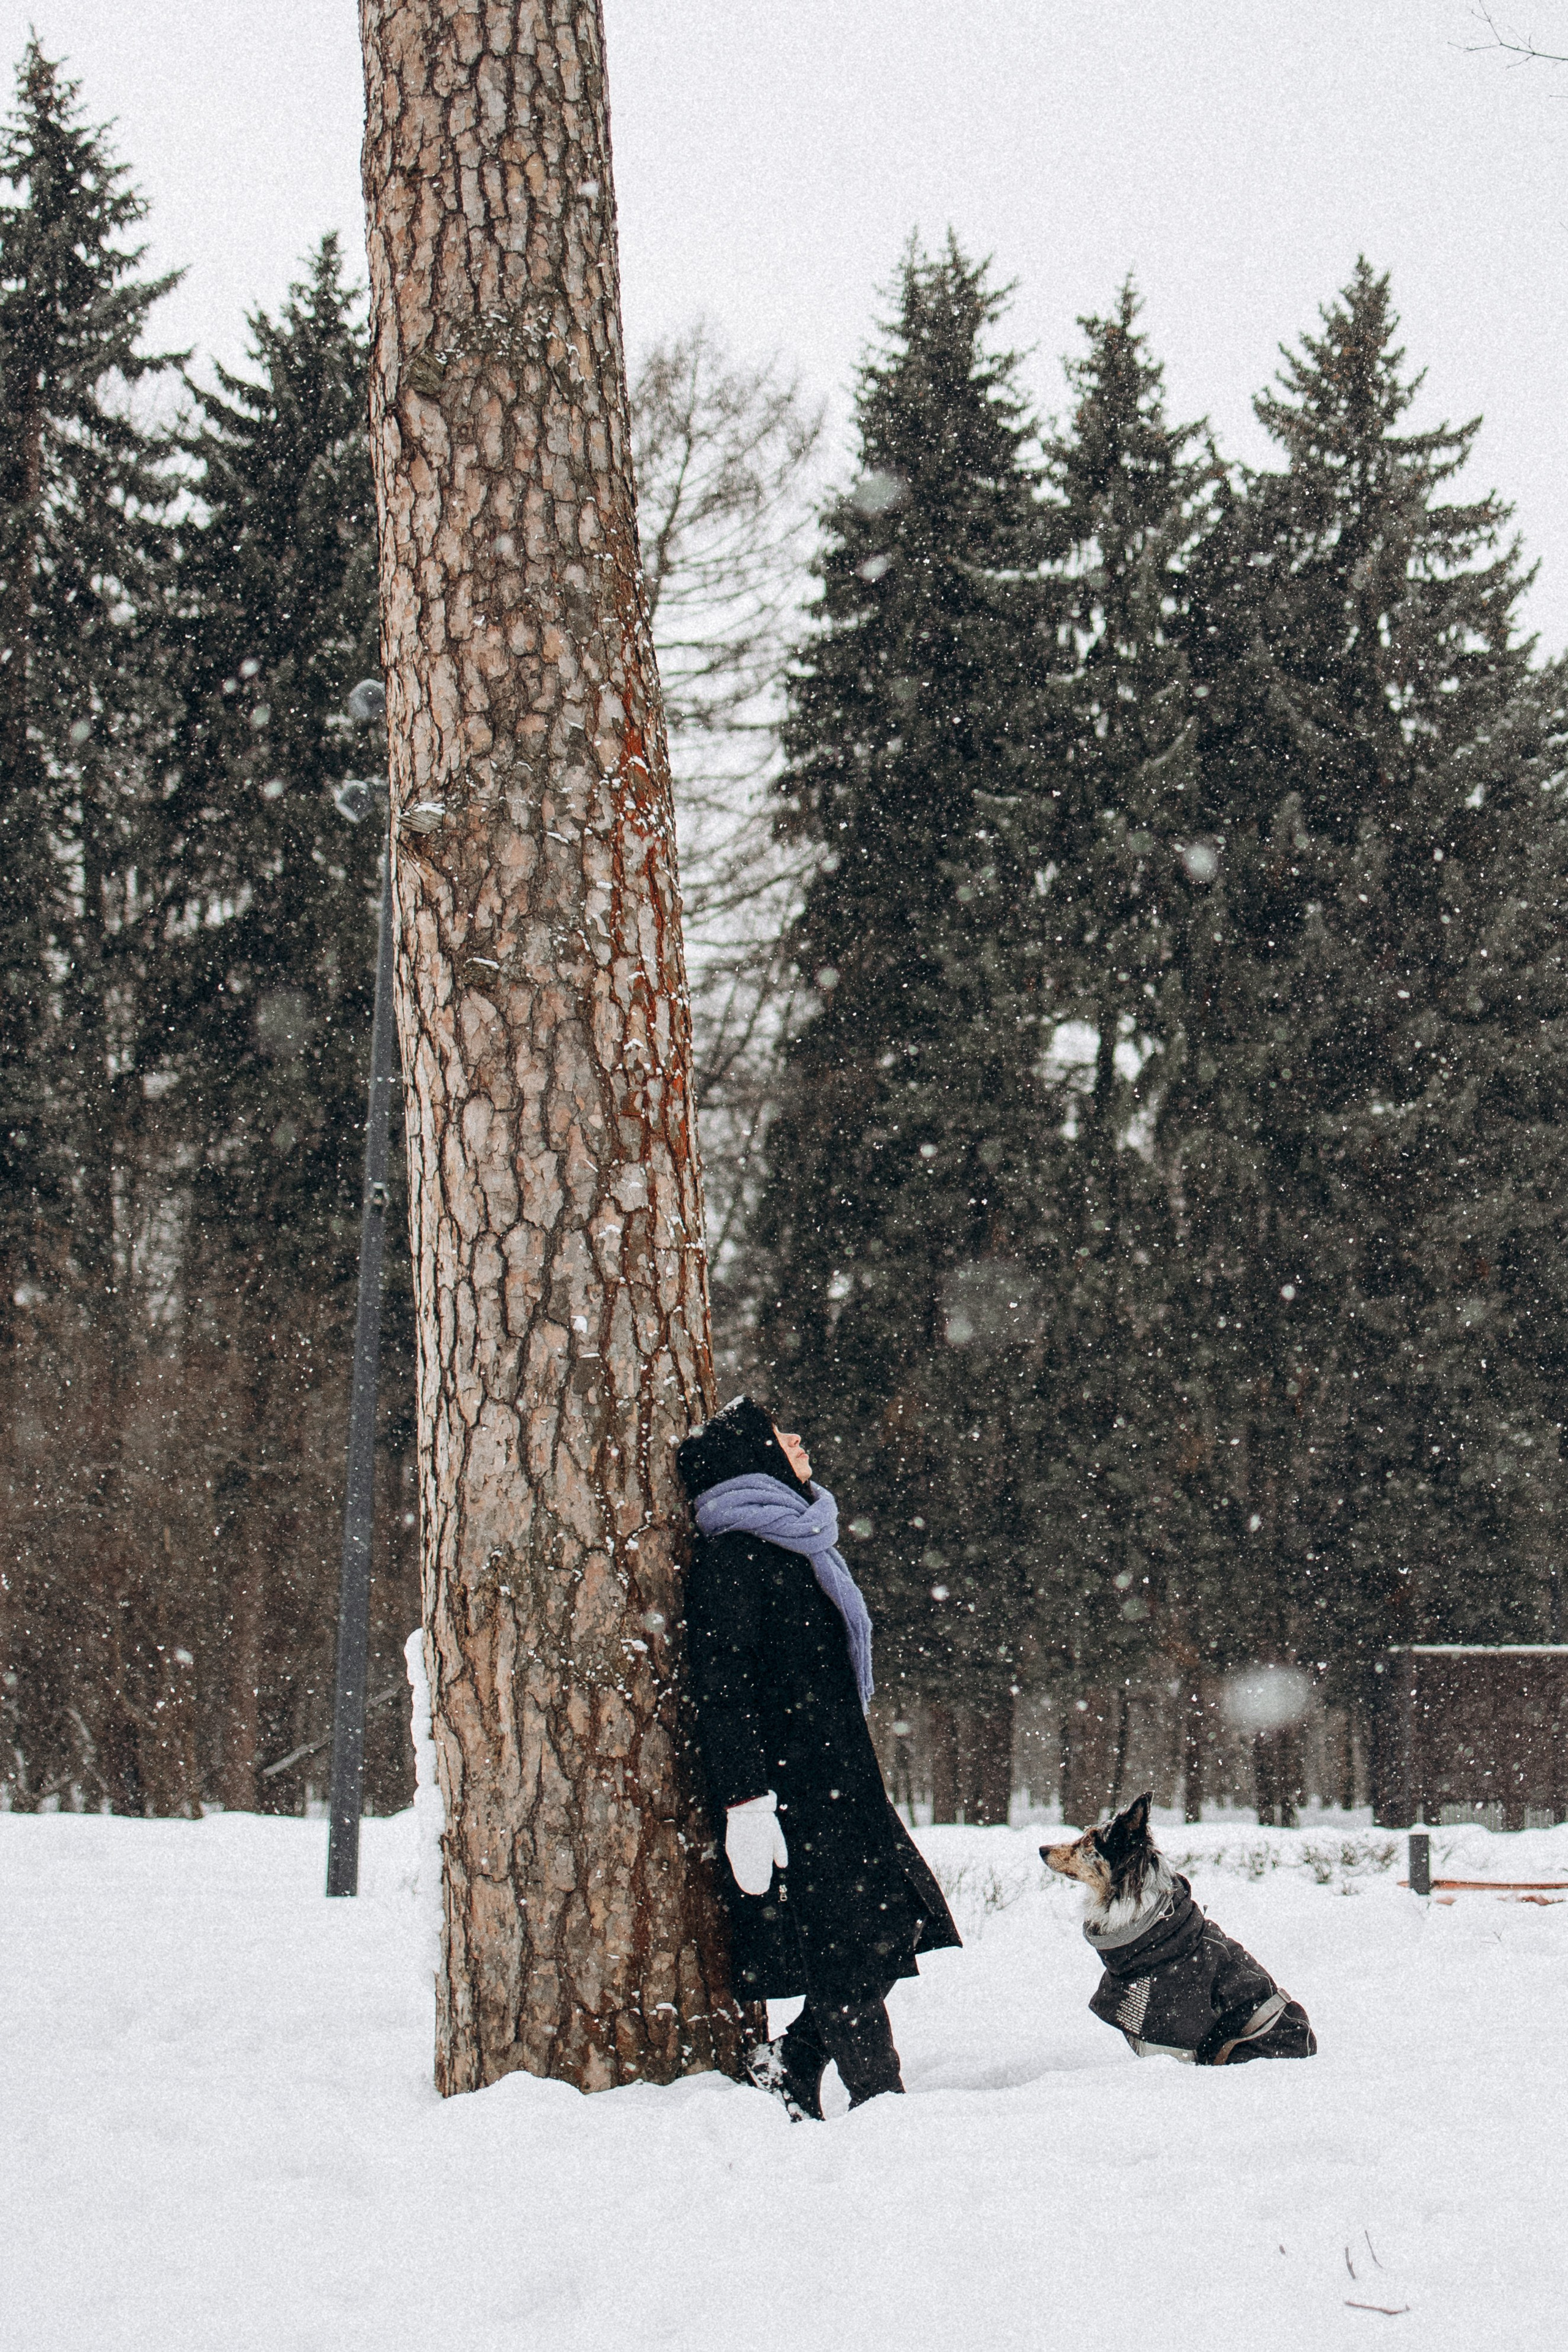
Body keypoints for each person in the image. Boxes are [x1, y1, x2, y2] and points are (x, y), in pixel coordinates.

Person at [677, 1394, 960, 2117]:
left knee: (897, 1922)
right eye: (779, 1433)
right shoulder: (731, 1558)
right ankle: (883, 2111)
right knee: (844, 1957)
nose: (797, 1437)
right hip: (792, 1790)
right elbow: (723, 1690)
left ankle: (794, 2061)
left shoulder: (801, 1546)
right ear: (754, 1459)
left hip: (843, 1780)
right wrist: (744, 1800)